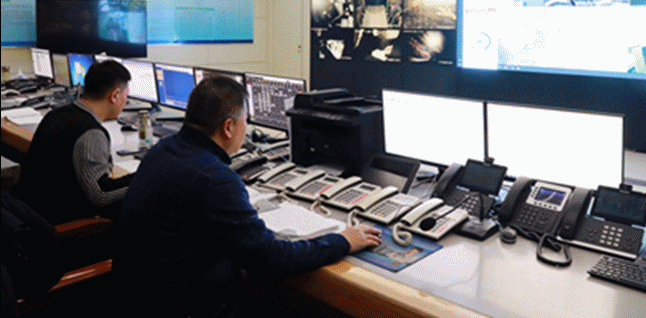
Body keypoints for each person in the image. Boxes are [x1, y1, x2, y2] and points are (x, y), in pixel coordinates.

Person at [114, 76, 382, 317]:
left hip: (137, 296)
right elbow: (271, 259)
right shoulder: (216, 179)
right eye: (245, 121)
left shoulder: (163, 149)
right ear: (229, 127)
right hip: (182, 306)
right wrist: (342, 241)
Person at [13, 59, 133, 225]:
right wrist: (144, 177)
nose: (125, 101)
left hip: (27, 211)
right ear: (115, 96)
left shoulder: (56, 114)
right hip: (55, 223)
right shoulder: (91, 133)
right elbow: (101, 194)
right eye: (126, 95)